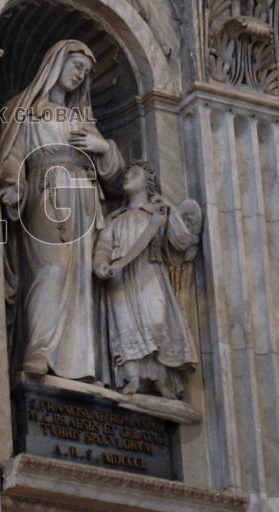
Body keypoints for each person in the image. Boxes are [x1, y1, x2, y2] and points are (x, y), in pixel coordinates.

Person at [0, 39, 123, 382]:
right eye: (75, 67)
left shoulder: (82, 120)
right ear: (56, 64)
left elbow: (115, 177)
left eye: (84, 73)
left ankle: (80, 363)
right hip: (45, 193)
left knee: (81, 277)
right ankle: (39, 350)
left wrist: (104, 147)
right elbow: (11, 153)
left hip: (84, 199)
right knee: (50, 270)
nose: (79, 76)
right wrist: (13, 183)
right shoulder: (23, 109)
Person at [92, 161, 200, 398]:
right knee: (125, 324)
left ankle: (160, 379)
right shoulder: (115, 219)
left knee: (156, 320)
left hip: (150, 273)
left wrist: (170, 210)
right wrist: (101, 264)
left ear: (148, 183)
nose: (127, 176)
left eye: (135, 173)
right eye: (126, 174)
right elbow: (103, 246)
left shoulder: (158, 214)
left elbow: (181, 242)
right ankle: (132, 378)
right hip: (119, 277)